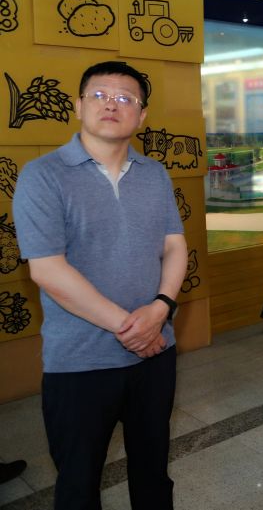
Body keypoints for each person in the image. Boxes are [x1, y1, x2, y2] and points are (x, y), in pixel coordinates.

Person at [12, 61, 188, 510]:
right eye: (100, 95)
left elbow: (174, 246)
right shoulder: (42, 175)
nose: (112, 104)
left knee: (153, 475)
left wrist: (161, 308)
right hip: (79, 361)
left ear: (141, 116)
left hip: (156, 355)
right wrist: (134, 328)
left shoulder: (154, 173)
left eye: (126, 98)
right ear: (78, 106)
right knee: (78, 484)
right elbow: (47, 269)